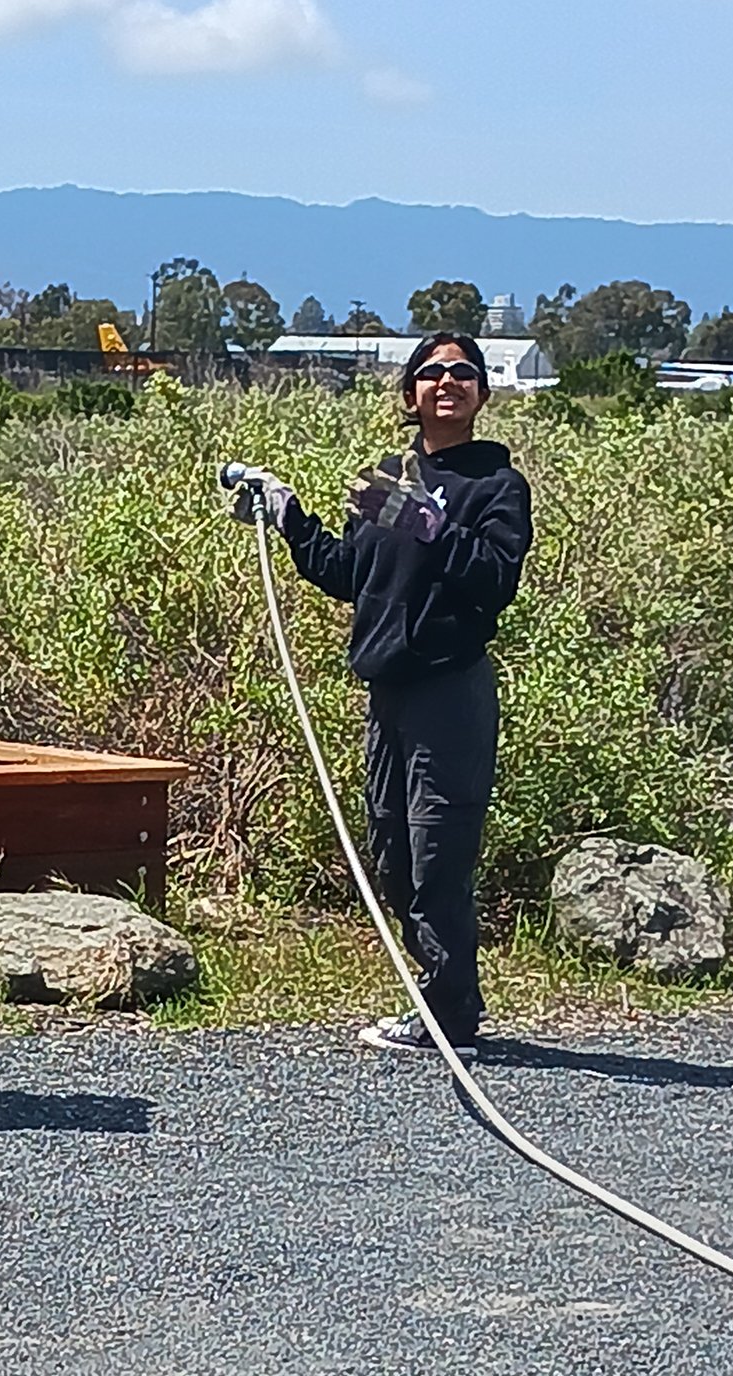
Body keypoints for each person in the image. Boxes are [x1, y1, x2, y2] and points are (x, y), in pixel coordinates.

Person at [235, 333, 532, 1059]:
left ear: (481, 396)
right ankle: (438, 996)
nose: (447, 382)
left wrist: (430, 528)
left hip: (450, 692)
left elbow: (495, 579)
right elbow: (349, 574)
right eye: (431, 373)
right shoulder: (382, 481)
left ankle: (449, 1012)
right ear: (410, 395)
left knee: (439, 852)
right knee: (394, 851)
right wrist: (288, 514)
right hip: (388, 691)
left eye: (464, 373)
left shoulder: (496, 487)